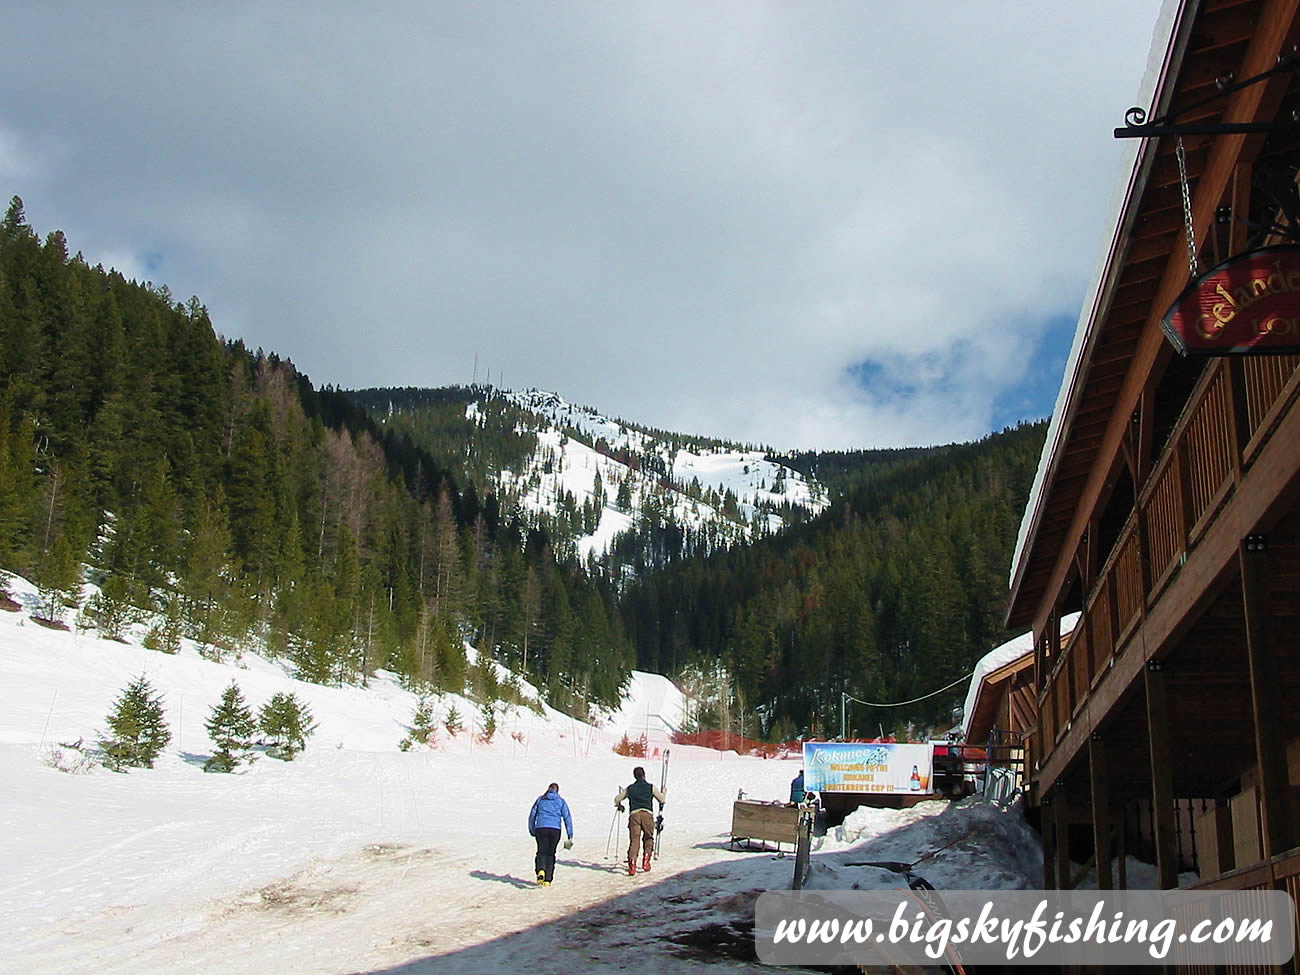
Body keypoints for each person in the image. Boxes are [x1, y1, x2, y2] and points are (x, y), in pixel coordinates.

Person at [614, 765, 667, 876]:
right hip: (647, 814)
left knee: (635, 841)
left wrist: (620, 805)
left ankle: (632, 864)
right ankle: (646, 860)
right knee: (648, 838)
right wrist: (664, 791)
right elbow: (661, 799)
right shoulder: (651, 787)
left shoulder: (630, 788)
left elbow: (617, 799)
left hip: (634, 815)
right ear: (644, 775)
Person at [527, 782, 574, 886]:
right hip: (555, 830)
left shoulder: (540, 800)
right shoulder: (561, 801)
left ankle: (540, 870)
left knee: (541, 852)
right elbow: (567, 818)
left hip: (541, 828)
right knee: (551, 853)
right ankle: (548, 880)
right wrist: (570, 834)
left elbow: (532, 815)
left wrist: (532, 829)